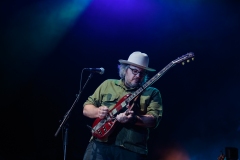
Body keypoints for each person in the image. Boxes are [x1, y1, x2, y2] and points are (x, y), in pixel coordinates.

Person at [83, 51, 163, 160]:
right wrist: (98, 111)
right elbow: (86, 108)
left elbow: (154, 121)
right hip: (99, 145)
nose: (138, 76)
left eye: (142, 73)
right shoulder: (108, 84)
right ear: (125, 69)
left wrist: (134, 119)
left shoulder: (152, 92)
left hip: (131, 150)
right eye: (134, 71)